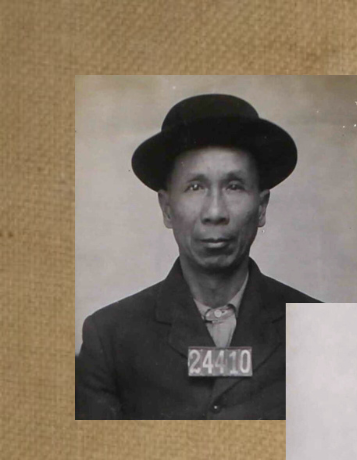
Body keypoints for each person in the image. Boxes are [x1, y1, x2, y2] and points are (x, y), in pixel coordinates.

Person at [75, 93, 318, 420]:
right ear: (167, 208)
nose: (215, 212)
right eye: (195, 187)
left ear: (261, 207)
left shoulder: (318, 329)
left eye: (234, 186)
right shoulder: (109, 338)